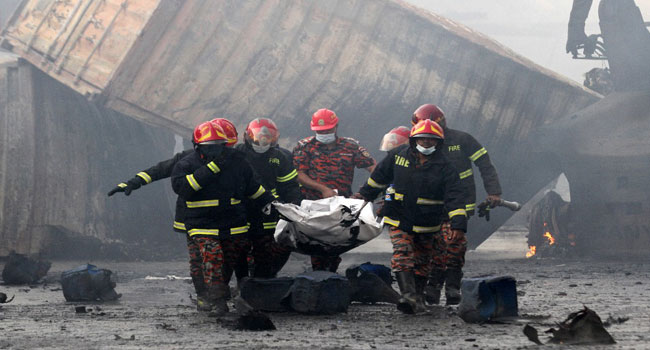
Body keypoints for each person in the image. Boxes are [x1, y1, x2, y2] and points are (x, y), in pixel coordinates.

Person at [107, 118, 239, 310]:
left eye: (227, 146)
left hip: (226, 219)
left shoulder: (237, 161)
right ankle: (204, 296)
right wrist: (133, 182)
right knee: (199, 259)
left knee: (225, 257)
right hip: (194, 218)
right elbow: (159, 170)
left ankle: (224, 292)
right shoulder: (187, 159)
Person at [358, 119, 467, 314]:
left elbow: (456, 197)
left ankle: (417, 298)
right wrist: (362, 196)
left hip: (428, 223)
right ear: (413, 140)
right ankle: (407, 295)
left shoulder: (446, 167)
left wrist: (458, 225)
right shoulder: (397, 156)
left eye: (431, 140)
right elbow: (378, 179)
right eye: (422, 139)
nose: (426, 143)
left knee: (423, 262)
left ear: (439, 143)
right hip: (399, 217)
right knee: (403, 252)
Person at [171, 119, 274, 314]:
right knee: (211, 257)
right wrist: (210, 169)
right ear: (197, 146)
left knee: (227, 262)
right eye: (209, 147)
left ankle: (216, 293)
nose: (214, 151)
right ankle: (215, 300)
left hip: (232, 224)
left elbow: (253, 187)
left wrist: (272, 204)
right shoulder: (186, 164)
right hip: (201, 223)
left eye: (218, 146)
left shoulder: (237, 162)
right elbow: (184, 189)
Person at [411, 104, 502, 305]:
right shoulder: (417, 145)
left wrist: (493, 192)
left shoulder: (462, 140)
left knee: (454, 244)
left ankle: (451, 287)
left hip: (460, 203)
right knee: (435, 247)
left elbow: (485, 164)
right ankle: (433, 287)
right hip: (430, 205)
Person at [293, 108, 376, 272]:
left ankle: (328, 273)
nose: (324, 133)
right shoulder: (305, 146)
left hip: (342, 205)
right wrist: (322, 189)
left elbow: (374, 168)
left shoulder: (350, 146)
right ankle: (320, 275)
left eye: (328, 130)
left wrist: (367, 191)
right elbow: (298, 174)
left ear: (336, 127)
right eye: (320, 131)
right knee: (318, 242)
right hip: (314, 205)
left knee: (336, 241)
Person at [235, 118, 301, 278]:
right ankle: (243, 282)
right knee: (238, 251)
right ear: (248, 136)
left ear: (274, 138)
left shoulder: (280, 157)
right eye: (259, 136)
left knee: (268, 250)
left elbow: (290, 186)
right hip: (241, 211)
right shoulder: (237, 154)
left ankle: (263, 282)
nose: (262, 141)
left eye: (268, 137)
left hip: (269, 213)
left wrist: (293, 207)